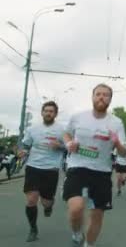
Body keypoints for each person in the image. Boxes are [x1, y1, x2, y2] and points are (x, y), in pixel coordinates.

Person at [63, 84, 126, 247]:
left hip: (102, 172)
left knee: (97, 214)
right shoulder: (78, 116)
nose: (101, 97)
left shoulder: (116, 122)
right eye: (98, 94)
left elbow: (123, 153)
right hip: (77, 167)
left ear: (110, 99)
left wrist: (117, 142)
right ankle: (77, 233)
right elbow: (66, 133)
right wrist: (69, 142)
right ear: (92, 97)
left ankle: (89, 244)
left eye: (106, 95)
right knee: (76, 209)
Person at [18, 101, 65, 242]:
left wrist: (60, 146)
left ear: (55, 114)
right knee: (31, 200)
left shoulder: (62, 130)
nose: (48, 113)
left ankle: (49, 206)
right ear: (42, 112)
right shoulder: (33, 129)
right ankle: (33, 229)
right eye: (46, 111)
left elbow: (70, 147)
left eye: (51, 111)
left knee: (46, 202)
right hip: (33, 167)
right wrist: (23, 152)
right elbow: (26, 145)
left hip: (51, 169)